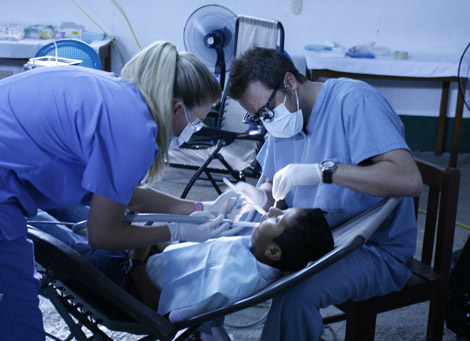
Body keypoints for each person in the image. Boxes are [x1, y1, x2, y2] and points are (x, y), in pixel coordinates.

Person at [0, 40, 239, 339]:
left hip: (11, 160)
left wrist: (197, 208)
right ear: (177, 108)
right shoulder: (135, 133)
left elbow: (117, 192)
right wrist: (174, 232)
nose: (194, 131)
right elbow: (101, 235)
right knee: (16, 314)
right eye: (197, 122)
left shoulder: (122, 96)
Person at [224, 47, 423, 340]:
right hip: (311, 241)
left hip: (371, 247)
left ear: (290, 82)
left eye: (266, 111)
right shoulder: (283, 121)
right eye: (257, 118)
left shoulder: (354, 102)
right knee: (224, 256)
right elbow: (272, 186)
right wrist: (259, 196)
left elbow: (409, 180)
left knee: (294, 295)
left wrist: (325, 171)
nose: (266, 121)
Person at [31, 206, 334, 323]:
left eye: (278, 219)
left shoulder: (232, 284)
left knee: (40, 228)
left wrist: (136, 262)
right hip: (136, 261)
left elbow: (162, 317)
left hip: (117, 286)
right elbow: (187, 261)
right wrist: (153, 239)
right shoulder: (252, 252)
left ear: (274, 254)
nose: (270, 211)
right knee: (81, 207)